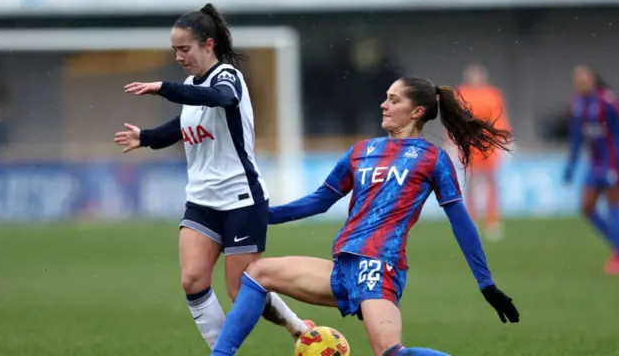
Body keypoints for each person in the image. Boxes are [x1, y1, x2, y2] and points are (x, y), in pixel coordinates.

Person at [211, 77, 520, 356]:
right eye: (386, 97)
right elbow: (318, 202)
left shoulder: (432, 158)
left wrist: (486, 284)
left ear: (416, 112)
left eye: (394, 100)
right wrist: (258, 217)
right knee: (257, 274)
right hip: (343, 267)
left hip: (379, 266)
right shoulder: (362, 150)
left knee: (390, 353)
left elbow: (460, 221)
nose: (384, 104)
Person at [113, 3, 310, 350]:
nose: (178, 57)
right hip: (202, 201)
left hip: (240, 199)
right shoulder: (191, 85)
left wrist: (164, 87)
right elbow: (184, 124)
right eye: (174, 50)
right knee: (192, 280)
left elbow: (220, 99)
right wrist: (145, 137)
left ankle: (298, 327)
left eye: (184, 49)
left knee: (241, 291)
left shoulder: (227, 78)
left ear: (208, 45)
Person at [564, 64, 619, 275]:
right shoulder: (577, 105)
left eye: (584, 79)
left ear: (593, 80)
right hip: (594, 164)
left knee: (613, 207)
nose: (581, 83)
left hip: (613, 162)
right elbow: (576, 137)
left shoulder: (607, 101)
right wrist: (571, 165)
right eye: (577, 80)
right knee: (587, 207)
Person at [451, 64, 512, 241]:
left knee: (491, 180)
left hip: (488, 143)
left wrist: (504, 139)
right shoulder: (461, 93)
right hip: (469, 143)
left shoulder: (493, 94)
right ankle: (471, 218)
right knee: (470, 182)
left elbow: (499, 117)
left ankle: (492, 219)